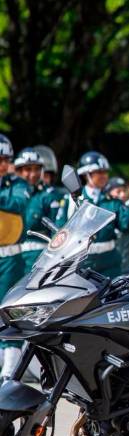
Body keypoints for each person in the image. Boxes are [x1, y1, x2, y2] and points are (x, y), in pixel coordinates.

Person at [70, 151, 129, 278]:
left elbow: (127, 227)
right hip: (82, 261)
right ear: (87, 174)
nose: (104, 176)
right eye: (99, 172)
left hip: (109, 262)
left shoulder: (113, 202)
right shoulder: (73, 200)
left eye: (105, 172)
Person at [0, 138, 31, 380]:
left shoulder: (17, 183)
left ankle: (9, 371)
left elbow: (20, 203)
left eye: (6, 160)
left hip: (9, 260)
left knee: (7, 313)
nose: (2, 165)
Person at [15, 148, 66, 271]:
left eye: (37, 169)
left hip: (37, 261)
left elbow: (58, 231)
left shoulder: (47, 198)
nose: (33, 174)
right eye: (28, 169)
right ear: (18, 171)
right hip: (8, 259)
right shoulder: (7, 195)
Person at [106, 176, 129, 273]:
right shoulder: (105, 210)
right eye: (118, 191)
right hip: (109, 267)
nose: (122, 195)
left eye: (124, 191)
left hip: (128, 268)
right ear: (109, 193)